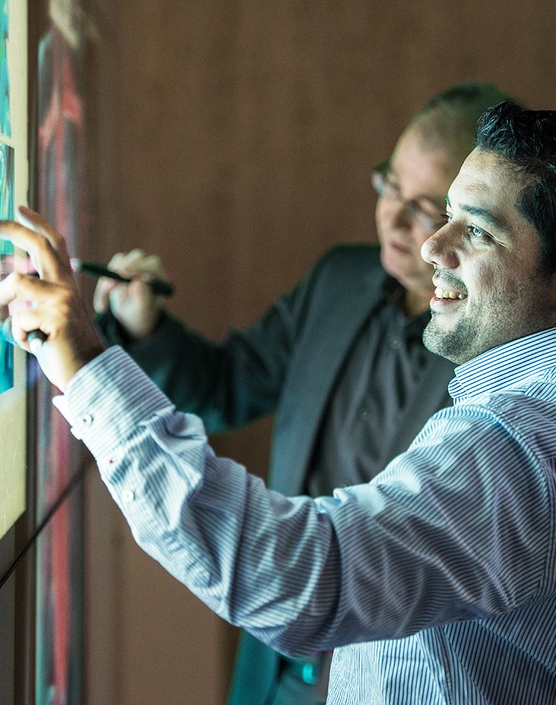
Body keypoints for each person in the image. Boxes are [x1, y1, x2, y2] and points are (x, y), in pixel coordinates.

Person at [0, 102, 556, 705]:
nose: (431, 245)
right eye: (442, 212)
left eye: (476, 228)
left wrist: (80, 359)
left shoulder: (518, 443)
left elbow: (283, 576)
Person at [91, 82, 516, 704]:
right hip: (276, 665)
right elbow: (225, 387)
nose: (393, 219)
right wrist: (145, 328)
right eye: (389, 186)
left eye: (427, 208)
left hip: (401, 678)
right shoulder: (338, 281)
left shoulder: (507, 350)